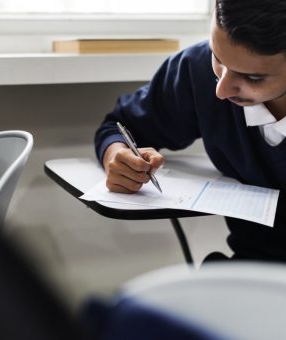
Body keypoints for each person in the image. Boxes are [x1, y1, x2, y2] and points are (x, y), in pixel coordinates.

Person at [94, 0, 286, 263]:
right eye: (217, 57)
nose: (222, 89)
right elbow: (123, 126)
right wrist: (117, 157)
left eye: (252, 78)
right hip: (248, 268)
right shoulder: (197, 69)